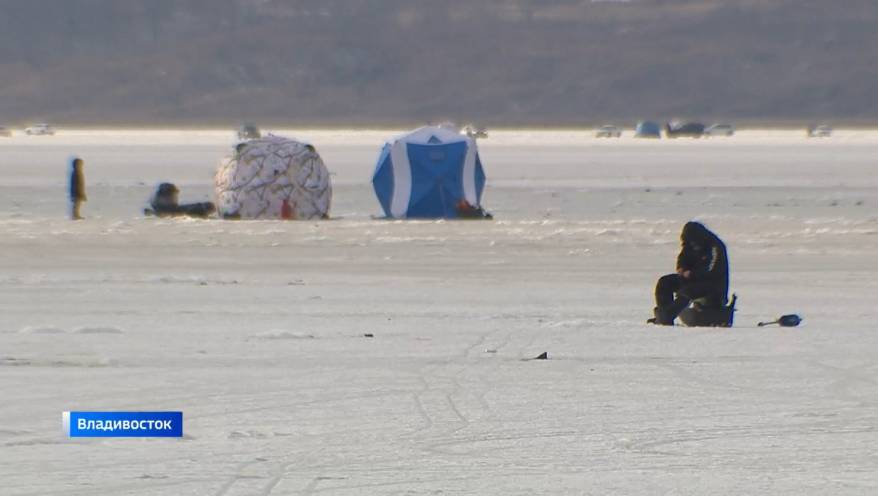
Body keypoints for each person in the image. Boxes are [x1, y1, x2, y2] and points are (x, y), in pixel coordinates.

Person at [652, 221, 729, 326]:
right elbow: (683, 256)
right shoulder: (690, 243)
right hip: (691, 279)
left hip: (713, 285)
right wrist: (681, 267)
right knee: (665, 282)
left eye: (694, 242)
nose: (693, 245)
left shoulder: (715, 247)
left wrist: (692, 274)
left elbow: (711, 269)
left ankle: (668, 315)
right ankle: (664, 313)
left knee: (688, 291)